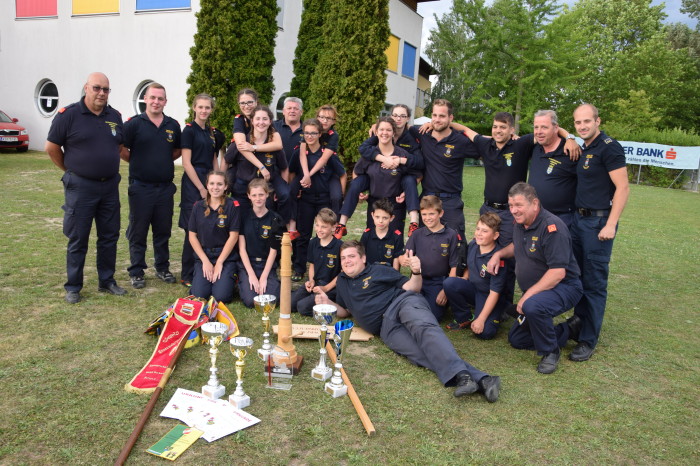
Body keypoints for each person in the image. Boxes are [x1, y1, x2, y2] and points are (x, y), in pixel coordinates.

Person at [315, 240, 500, 402]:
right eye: (344, 258)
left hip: (403, 303)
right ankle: (483, 380)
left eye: (351, 256)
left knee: (424, 330)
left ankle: (464, 376)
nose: (347, 261)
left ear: (363, 258)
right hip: (385, 329)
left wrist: (416, 272)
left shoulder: (380, 270)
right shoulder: (342, 282)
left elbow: (412, 288)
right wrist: (328, 302)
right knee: (419, 353)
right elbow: (344, 311)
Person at [45, 72, 127, 304]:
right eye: (97, 88)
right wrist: (71, 170)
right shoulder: (68, 115)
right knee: (78, 237)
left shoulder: (115, 116)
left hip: (109, 185)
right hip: (80, 187)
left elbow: (118, 144)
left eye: (106, 89)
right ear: (86, 88)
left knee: (109, 235)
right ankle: (73, 286)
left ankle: (107, 280)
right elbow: (51, 147)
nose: (102, 93)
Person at [489, 183, 583, 374]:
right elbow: (517, 246)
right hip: (539, 291)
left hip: (564, 287)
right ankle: (569, 330)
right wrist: (498, 254)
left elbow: (558, 273)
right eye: (511, 205)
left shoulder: (552, 228)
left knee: (532, 306)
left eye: (518, 205)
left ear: (535, 203)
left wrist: (527, 296)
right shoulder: (521, 223)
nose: (514, 210)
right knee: (517, 339)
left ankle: (551, 351)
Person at [569, 103, 629, 362]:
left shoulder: (609, 147)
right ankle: (579, 322)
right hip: (578, 221)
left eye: (587, 121)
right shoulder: (585, 147)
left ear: (597, 121)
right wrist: (567, 137)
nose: (582, 126)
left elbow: (623, 188)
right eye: (578, 123)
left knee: (594, 284)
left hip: (598, 224)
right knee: (578, 277)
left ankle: (587, 339)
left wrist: (611, 224)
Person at [120, 83, 181, 289]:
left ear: (165, 101)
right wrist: (138, 161)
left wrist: (161, 161)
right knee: (138, 231)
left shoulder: (173, 125)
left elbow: (176, 150)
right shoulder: (134, 124)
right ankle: (136, 271)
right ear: (145, 99)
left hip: (164, 188)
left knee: (163, 230)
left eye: (160, 98)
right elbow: (121, 147)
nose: (156, 102)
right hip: (141, 188)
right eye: (152, 98)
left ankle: (162, 267)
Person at [336, 116, 422, 239]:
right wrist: (359, 191)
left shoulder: (401, 154)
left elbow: (417, 175)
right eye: (381, 130)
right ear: (376, 132)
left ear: (393, 133)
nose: (384, 133)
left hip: (395, 204)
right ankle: (342, 224)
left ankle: (414, 223)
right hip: (375, 203)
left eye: (388, 130)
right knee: (372, 239)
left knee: (393, 242)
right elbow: (357, 172)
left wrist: (405, 192)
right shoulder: (370, 154)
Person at [289, 118, 346, 281]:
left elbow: (342, 174)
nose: (310, 136)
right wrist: (296, 189)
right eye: (306, 133)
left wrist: (340, 196)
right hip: (305, 199)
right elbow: (292, 173)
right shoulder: (298, 152)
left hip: (323, 200)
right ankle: (299, 268)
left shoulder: (327, 154)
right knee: (303, 235)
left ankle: (328, 268)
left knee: (325, 235)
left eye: (313, 133)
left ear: (320, 134)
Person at [179, 93, 224, 288]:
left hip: (210, 180)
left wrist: (218, 180)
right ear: (194, 108)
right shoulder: (188, 131)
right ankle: (187, 273)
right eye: (201, 107)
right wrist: (200, 187)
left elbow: (215, 159)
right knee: (193, 228)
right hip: (194, 181)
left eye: (208, 107)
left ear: (211, 110)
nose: (204, 110)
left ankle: (204, 268)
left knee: (210, 226)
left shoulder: (212, 133)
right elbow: (186, 163)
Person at [442, 212, 510, 339]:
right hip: (474, 288)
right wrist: (465, 278)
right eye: (478, 229)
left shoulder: (497, 260)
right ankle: (464, 317)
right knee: (450, 283)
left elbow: (494, 293)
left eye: (484, 231)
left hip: (488, 295)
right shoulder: (474, 244)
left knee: (484, 332)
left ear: (495, 235)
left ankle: (497, 313)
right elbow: (469, 264)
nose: (479, 233)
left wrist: (481, 319)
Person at [224, 106, 291, 222]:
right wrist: (223, 181)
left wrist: (282, 189)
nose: (261, 122)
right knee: (241, 224)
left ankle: (283, 230)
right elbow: (226, 161)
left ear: (270, 122)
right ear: (252, 121)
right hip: (242, 190)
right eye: (258, 119)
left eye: (265, 119)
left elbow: (284, 168)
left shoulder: (274, 145)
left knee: (266, 225)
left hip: (265, 192)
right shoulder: (242, 143)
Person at [400, 196, 459, 321]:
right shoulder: (417, 234)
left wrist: (445, 290)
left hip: (438, 282)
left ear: (441, 213)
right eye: (424, 214)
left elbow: (454, 266)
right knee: (404, 306)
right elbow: (404, 256)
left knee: (433, 316)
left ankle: (437, 303)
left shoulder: (451, 235)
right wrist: (404, 259)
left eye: (432, 214)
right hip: (417, 280)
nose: (427, 218)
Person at [188, 171, 240, 302]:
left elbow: (233, 236)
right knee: (199, 296)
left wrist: (220, 262)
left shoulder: (232, 206)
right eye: (212, 183)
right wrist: (205, 261)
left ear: (225, 186)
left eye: (219, 184)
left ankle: (230, 280)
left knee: (221, 297)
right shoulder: (198, 206)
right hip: (204, 256)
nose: (215, 187)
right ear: (207, 185)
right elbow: (192, 236)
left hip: (225, 257)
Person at [237, 179, 284, 308]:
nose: (258, 198)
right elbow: (242, 249)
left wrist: (263, 277)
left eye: (261, 194)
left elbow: (274, 251)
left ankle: (271, 281)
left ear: (267, 194)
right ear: (248, 196)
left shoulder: (275, 219)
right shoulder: (243, 217)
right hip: (248, 264)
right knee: (251, 301)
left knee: (269, 300)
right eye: (254, 195)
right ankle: (242, 281)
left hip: (266, 264)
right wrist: (251, 275)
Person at [529, 110, 578, 228]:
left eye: (544, 127)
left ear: (556, 128)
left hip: (562, 218)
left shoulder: (571, 151)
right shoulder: (534, 148)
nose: (539, 132)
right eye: (536, 127)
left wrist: (570, 138)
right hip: (535, 216)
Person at [290, 208, 342, 316]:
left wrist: (326, 288)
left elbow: (342, 273)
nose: (319, 229)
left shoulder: (339, 246)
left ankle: (332, 302)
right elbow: (312, 264)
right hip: (316, 284)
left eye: (324, 227)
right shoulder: (313, 242)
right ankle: (312, 298)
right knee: (290, 304)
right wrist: (311, 281)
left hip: (330, 287)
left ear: (333, 227)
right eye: (317, 225)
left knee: (302, 307)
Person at [230, 88, 284, 184]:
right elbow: (241, 146)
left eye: (250, 102)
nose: (246, 106)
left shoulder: (265, 118)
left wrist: (253, 147)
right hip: (245, 164)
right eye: (242, 103)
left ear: (256, 102)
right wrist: (261, 167)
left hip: (266, 160)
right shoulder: (239, 120)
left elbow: (278, 144)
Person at [360, 198, 404, 270]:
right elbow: (361, 256)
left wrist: (394, 278)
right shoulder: (366, 234)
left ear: (391, 218)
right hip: (369, 274)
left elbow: (396, 259)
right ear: (372, 215)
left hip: (388, 275)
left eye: (385, 218)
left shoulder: (397, 236)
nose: (380, 221)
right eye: (377, 217)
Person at [273, 96, 304, 164]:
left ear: (301, 112)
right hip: (276, 171)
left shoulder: (307, 129)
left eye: (296, 109)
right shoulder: (273, 126)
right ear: (283, 111)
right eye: (289, 108)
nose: (292, 111)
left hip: (300, 172)